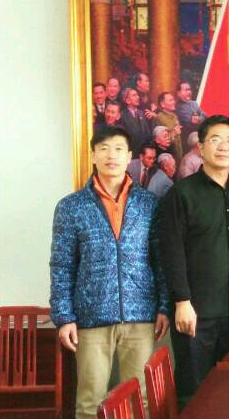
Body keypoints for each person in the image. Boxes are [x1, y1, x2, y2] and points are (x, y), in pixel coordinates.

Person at [49, 126, 169, 419]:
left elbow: (161, 260)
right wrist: (64, 317)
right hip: (91, 315)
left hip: (140, 315)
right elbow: (62, 265)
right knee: (90, 401)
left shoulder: (148, 204)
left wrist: (164, 306)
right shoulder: (71, 207)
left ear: (129, 157)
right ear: (93, 155)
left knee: (140, 399)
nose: (110, 155)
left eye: (118, 149)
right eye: (103, 149)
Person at [160, 115, 229, 394]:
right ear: (201, 148)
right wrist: (182, 301)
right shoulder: (181, 193)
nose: (223, 146)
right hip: (196, 313)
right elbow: (172, 250)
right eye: (215, 139)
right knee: (194, 391)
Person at [152, 92, 184, 163]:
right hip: (167, 157)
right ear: (162, 104)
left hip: (178, 156)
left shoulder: (175, 116)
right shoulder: (159, 118)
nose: (174, 102)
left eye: (173, 100)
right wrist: (174, 134)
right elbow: (158, 141)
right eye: (170, 100)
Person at [175, 81, 207, 151]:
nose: (189, 92)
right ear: (179, 93)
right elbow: (190, 124)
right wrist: (201, 118)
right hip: (188, 142)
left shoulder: (194, 103)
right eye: (186, 90)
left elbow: (205, 115)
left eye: (189, 90)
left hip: (199, 138)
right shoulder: (178, 107)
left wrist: (198, 119)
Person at [120, 87, 152, 153]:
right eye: (134, 95)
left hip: (144, 152)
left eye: (137, 95)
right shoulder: (123, 115)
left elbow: (148, 133)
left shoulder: (141, 113)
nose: (138, 97)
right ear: (127, 100)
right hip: (131, 152)